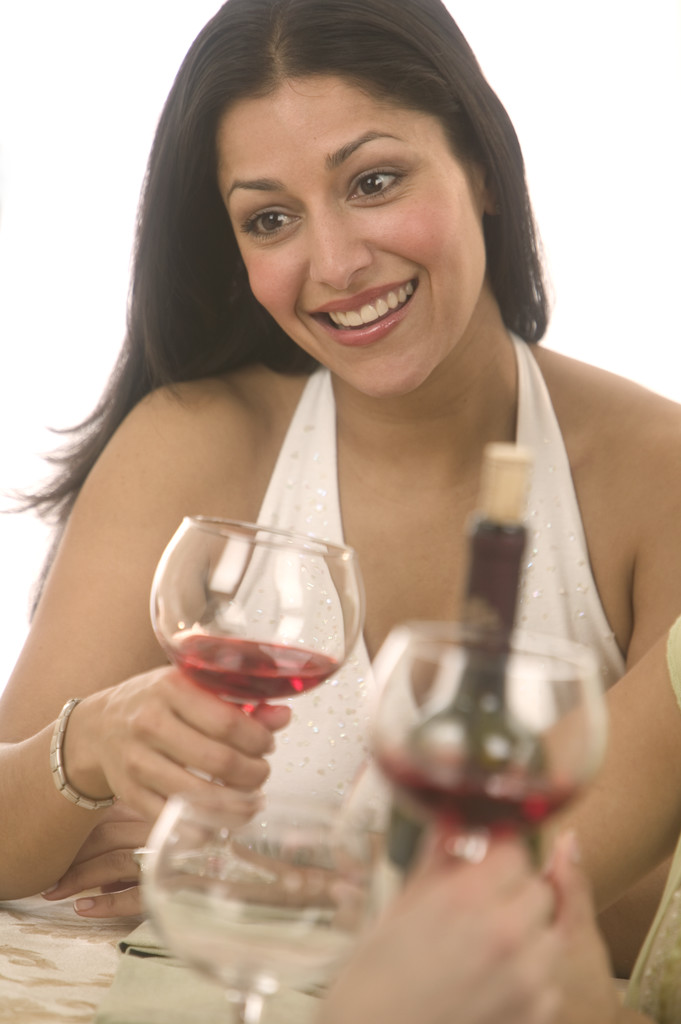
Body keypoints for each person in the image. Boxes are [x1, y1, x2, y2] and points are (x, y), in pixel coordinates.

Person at [1, 0, 680, 982]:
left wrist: (250, 871)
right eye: (270, 217)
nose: (336, 264)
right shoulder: (198, 442)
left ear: (481, 164)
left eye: (374, 180)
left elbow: (660, 925)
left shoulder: (653, 472)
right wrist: (89, 745)